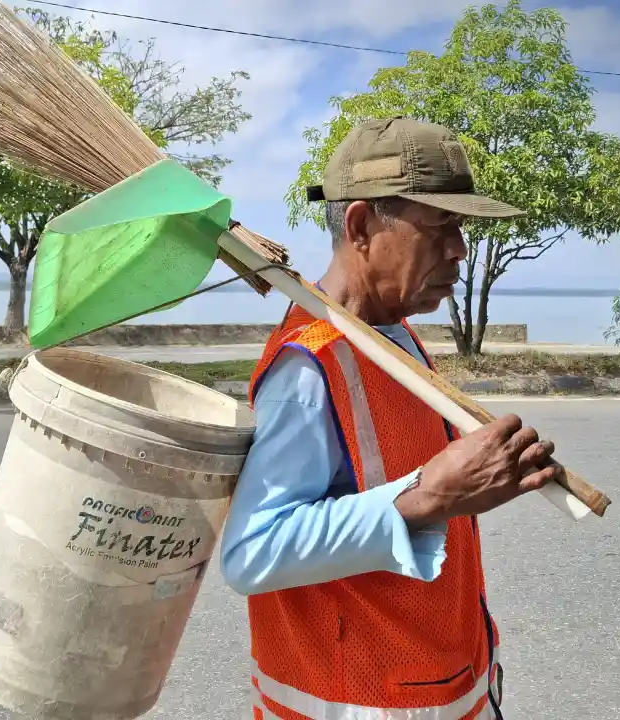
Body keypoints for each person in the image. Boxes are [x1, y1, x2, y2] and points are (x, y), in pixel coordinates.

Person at [218, 116, 563, 720]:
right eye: (440, 226)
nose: (459, 249)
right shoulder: (308, 365)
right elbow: (254, 551)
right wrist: (430, 497)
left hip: (447, 683)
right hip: (354, 702)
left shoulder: (392, 333)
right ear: (360, 226)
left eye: (461, 228)